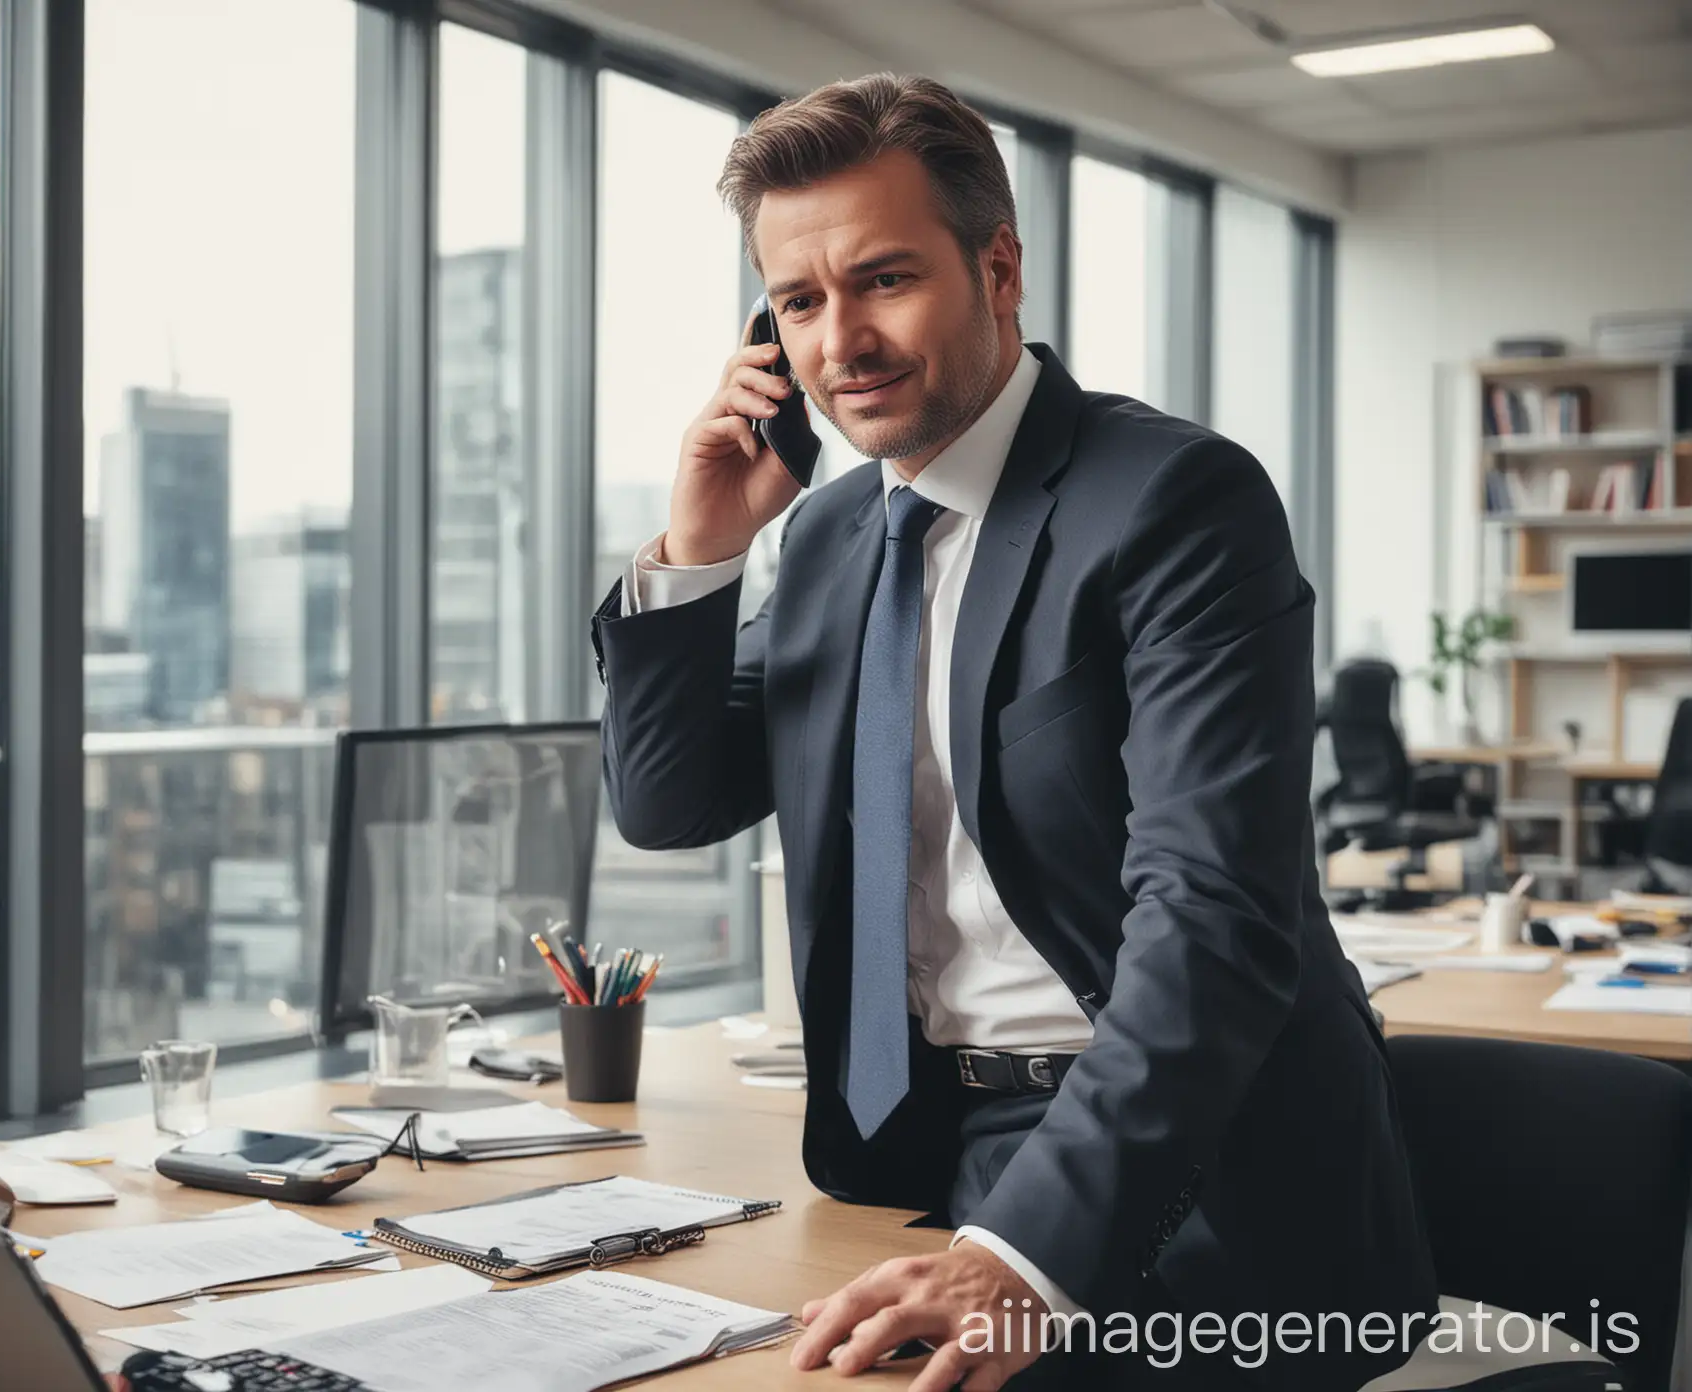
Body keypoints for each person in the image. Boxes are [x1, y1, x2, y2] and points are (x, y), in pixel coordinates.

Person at [589, 73, 1436, 1391]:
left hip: (1200, 1176)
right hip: (926, 1150)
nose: (839, 342)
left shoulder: (1171, 501)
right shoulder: (823, 538)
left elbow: (1214, 917)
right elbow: (668, 800)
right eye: (800, 304)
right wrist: (698, 550)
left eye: (881, 280)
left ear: (999, 269)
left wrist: (1022, 1261)